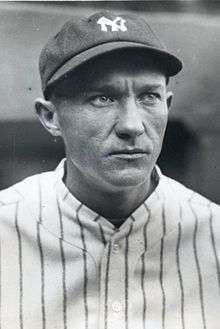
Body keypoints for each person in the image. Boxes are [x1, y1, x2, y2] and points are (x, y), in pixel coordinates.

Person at [0, 10, 219, 329]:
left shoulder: (214, 234)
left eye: (148, 97)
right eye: (101, 98)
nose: (132, 125)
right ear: (51, 118)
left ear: (167, 106)